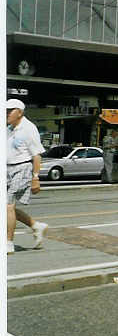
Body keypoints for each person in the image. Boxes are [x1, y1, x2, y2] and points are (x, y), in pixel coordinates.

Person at [6, 98, 47, 254]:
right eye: (6, 110)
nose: (7, 113)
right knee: (7, 208)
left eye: (10, 111)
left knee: (8, 206)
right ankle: (36, 226)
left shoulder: (29, 128)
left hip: (22, 168)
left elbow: (36, 155)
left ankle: (8, 243)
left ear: (20, 112)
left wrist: (35, 178)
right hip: (7, 169)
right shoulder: (8, 129)